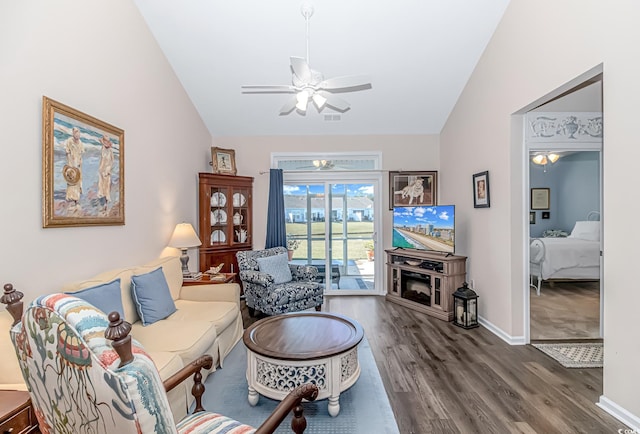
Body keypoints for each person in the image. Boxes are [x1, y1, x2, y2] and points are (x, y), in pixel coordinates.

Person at [64, 127, 84, 205]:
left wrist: (79, 162)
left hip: (78, 164)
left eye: (78, 133)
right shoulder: (69, 141)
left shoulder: (81, 143)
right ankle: (70, 196)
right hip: (71, 163)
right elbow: (67, 152)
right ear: (73, 133)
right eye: (76, 132)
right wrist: (71, 164)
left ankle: (76, 198)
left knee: (77, 179)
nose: (77, 134)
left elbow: (81, 154)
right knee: (71, 179)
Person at [97, 134, 114, 211]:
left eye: (107, 141)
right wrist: (100, 169)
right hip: (102, 170)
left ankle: (106, 204)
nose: (106, 143)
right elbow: (102, 159)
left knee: (106, 187)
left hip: (107, 171)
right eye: (105, 141)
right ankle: (103, 202)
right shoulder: (102, 148)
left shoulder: (110, 151)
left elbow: (111, 161)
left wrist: (108, 170)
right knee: (101, 186)